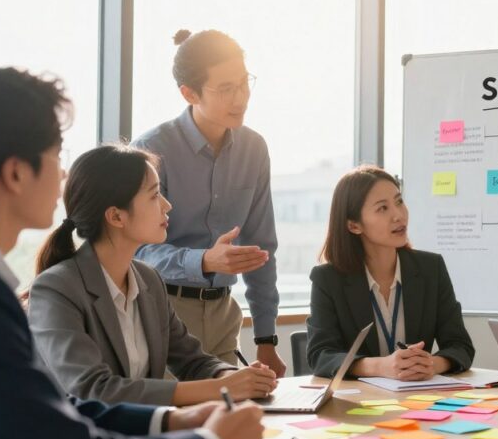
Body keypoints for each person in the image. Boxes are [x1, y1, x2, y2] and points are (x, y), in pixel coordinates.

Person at [0, 64, 264, 439]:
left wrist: (171, 419)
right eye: (56, 156)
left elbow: (50, 411)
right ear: (15, 173)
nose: (64, 175)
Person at [28, 144, 278, 405]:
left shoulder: (148, 279)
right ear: (116, 216)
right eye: (154, 195)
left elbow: (192, 361)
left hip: (143, 434)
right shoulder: (56, 289)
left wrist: (237, 376)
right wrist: (223, 389)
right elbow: (93, 390)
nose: (167, 206)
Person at [133, 29, 284, 374]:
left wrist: (266, 339)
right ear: (189, 93)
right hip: (164, 308)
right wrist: (204, 261)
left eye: (244, 83)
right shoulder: (154, 150)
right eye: (226, 89)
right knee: (176, 420)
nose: (241, 98)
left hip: (223, 315)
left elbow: (261, 248)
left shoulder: (254, 149)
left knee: (228, 419)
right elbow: (137, 251)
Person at [306, 166, 474, 379]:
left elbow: (460, 346)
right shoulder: (328, 279)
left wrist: (431, 364)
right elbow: (320, 355)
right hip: (360, 405)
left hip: (417, 399)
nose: (399, 215)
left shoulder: (431, 268)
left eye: (399, 201)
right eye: (382, 208)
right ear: (354, 225)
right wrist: (379, 367)